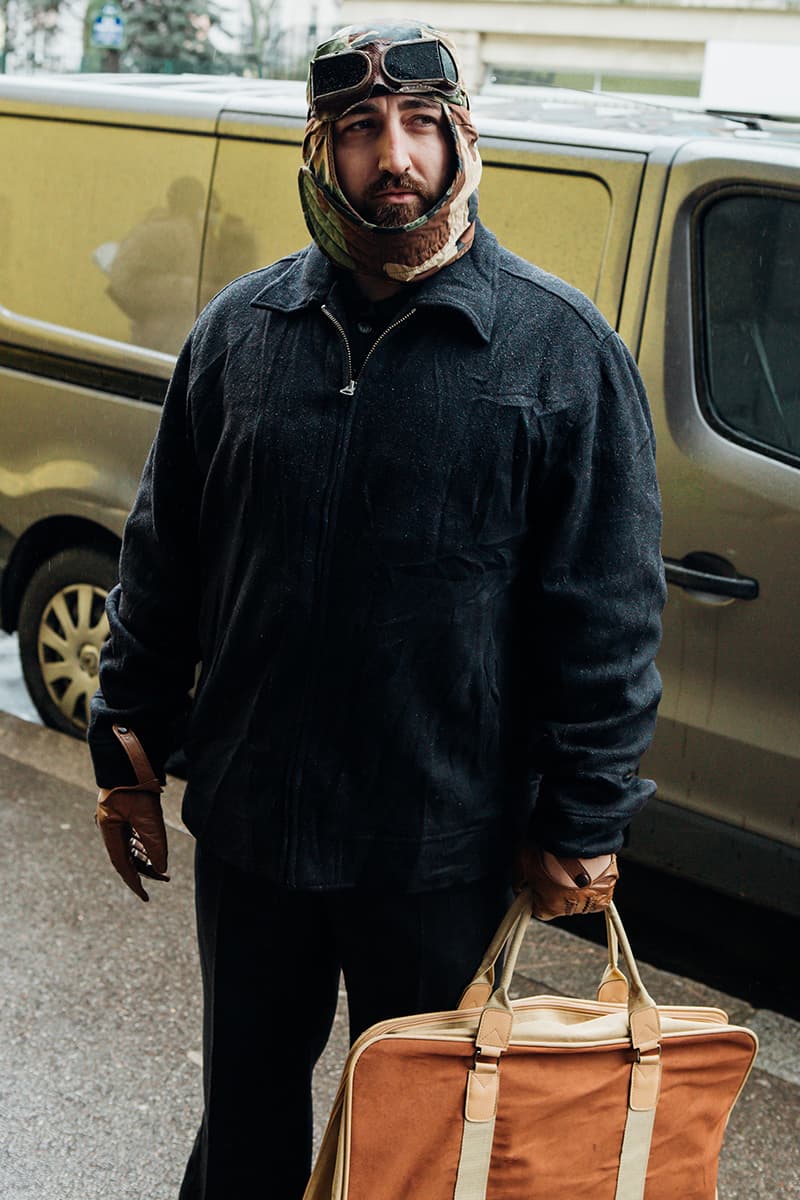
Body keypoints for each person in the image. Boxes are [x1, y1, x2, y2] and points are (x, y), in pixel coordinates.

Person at [88, 20, 665, 1200]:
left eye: (417, 126)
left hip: (436, 844)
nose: (389, 155)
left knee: (416, 1142)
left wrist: (585, 817)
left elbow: (603, 614)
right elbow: (164, 561)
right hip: (250, 827)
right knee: (243, 1114)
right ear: (320, 149)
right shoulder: (239, 334)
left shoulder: (561, 355)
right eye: (359, 130)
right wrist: (127, 746)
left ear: (459, 141)